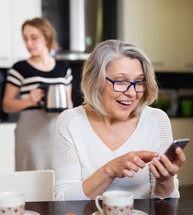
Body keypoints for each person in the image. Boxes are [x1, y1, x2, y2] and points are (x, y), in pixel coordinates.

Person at [53, 39, 186, 201]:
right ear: (96, 81)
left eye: (139, 82)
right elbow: (62, 199)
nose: (132, 93)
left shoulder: (156, 120)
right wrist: (109, 170)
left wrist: (165, 181)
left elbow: (168, 205)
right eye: (121, 81)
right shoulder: (70, 122)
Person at [3, 17, 73, 171]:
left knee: (58, 177)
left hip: (57, 133)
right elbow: (7, 105)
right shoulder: (19, 68)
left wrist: (68, 107)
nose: (28, 43)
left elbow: (69, 103)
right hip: (30, 135)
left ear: (46, 36)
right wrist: (29, 100)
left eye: (34, 38)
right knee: (31, 180)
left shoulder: (63, 68)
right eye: (25, 39)